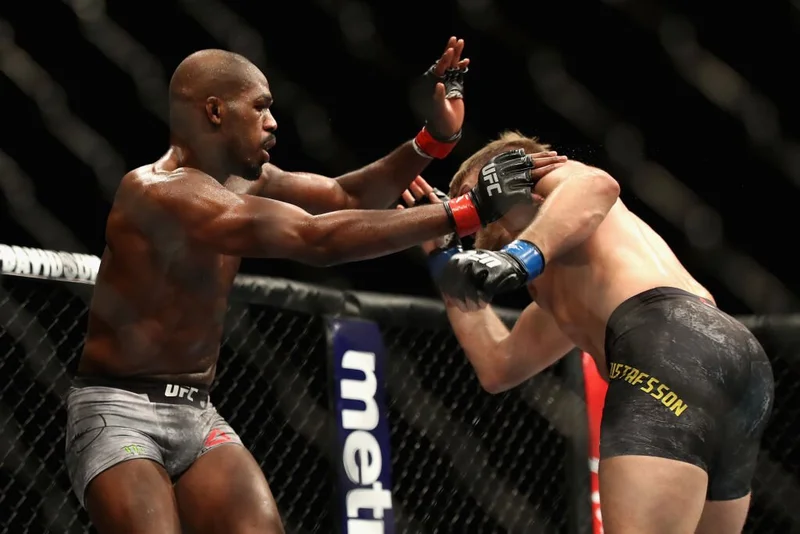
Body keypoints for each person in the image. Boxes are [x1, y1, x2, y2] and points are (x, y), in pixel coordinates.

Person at [64, 40, 568, 534]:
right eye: (260, 107)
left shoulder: (246, 182)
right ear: (215, 111)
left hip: (197, 411)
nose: (273, 122)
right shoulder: (156, 193)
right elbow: (315, 238)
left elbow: (346, 195)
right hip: (120, 409)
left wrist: (433, 140)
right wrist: (466, 211)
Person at [402, 131, 775, 534]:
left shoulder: (564, 187)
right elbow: (499, 365)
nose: (475, 216)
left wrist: (519, 257)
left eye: (477, 197)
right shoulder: (566, 287)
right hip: (735, 359)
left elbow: (598, 185)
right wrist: (442, 254)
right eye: (464, 210)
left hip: (664, 340)